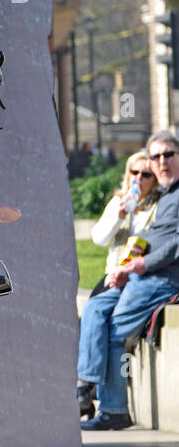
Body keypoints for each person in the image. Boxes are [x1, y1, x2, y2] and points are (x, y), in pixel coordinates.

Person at [77, 130, 179, 430]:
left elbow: (174, 244)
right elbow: (101, 237)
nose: (161, 162)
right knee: (96, 309)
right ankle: (87, 385)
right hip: (135, 275)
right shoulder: (167, 195)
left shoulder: (171, 196)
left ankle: (112, 408)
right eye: (156, 157)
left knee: (115, 333)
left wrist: (139, 264)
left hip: (159, 279)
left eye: (168, 155)